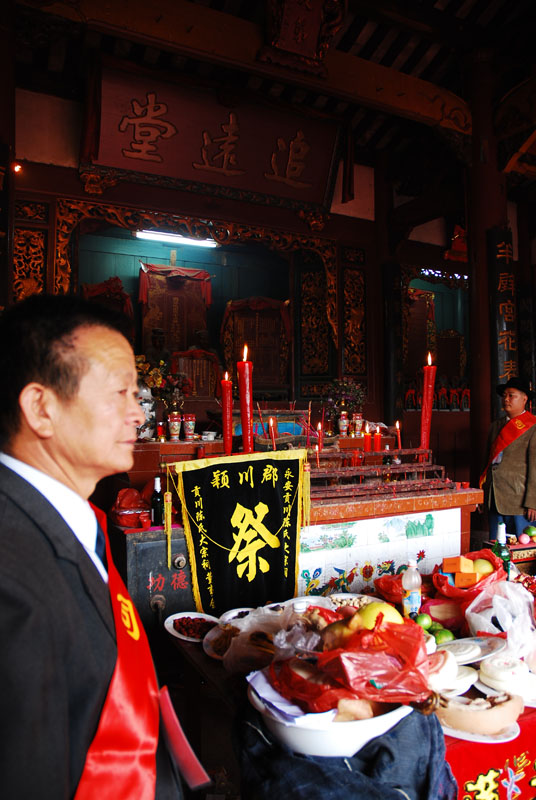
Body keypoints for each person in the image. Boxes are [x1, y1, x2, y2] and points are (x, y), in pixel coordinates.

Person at [0, 294, 184, 799]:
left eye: (137, 394)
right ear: (42, 408)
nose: (138, 415)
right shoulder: (11, 583)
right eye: (120, 393)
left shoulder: (66, 520)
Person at [480, 376, 536, 540]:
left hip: (519, 500)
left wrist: (532, 501)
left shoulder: (532, 427)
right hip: (494, 496)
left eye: (512, 395)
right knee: (496, 548)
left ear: (524, 399)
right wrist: (482, 494)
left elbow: (534, 467)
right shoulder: (495, 426)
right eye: (505, 395)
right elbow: (487, 463)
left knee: (521, 549)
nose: (506, 399)